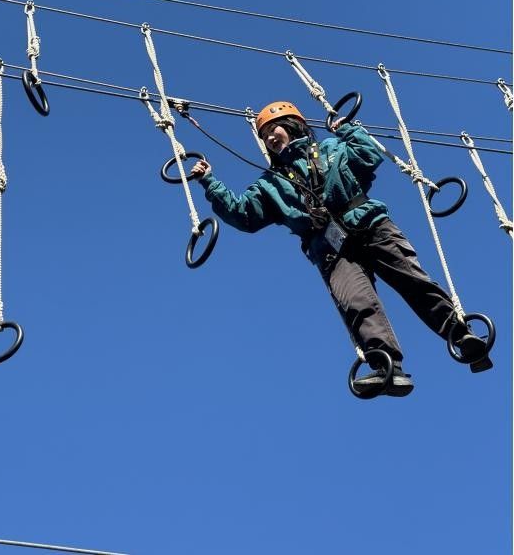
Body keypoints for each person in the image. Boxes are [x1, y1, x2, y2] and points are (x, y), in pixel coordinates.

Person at [189, 101, 492, 397]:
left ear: (293, 126)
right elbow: (244, 215)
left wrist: (348, 129)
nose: (269, 138)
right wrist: (209, 182)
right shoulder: (270, 184)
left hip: (370, 226)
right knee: (357, 303)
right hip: (330, 248)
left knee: (412, 280)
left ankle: (460, 334)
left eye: (274, 129)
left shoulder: (333, 149)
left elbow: (369, 155)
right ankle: (386, 367)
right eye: (264, 135)